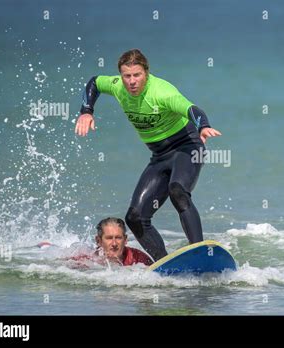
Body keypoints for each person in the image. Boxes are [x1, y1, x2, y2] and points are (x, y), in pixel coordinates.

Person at [75, 49, 221, 262]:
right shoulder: (117, 87)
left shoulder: (161, 93)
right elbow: (94, 83)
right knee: (135, 217)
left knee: (178, 190)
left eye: (137, 75)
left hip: (187, 147)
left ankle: (198, 251)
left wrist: (204, 126)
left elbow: (192, 109)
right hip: (160, 155)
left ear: (147, 73)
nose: (132, 81)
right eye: (127, 76)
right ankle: (164, 263)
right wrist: (87, 110)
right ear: (121, 76)